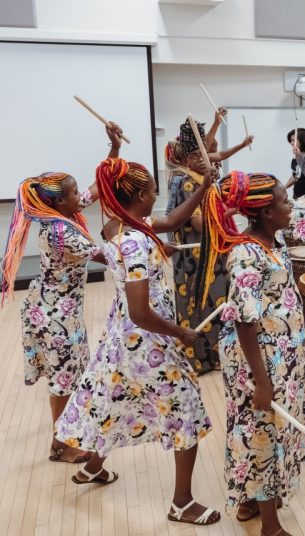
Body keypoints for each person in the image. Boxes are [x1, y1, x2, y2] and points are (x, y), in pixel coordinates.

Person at [56, 139, 221, 526]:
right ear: (138, 196)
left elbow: (171, 221)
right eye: (152, 194)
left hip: (121, 340)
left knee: (116, 400)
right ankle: (182, 502)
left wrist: (199, 190)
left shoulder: (118, 223)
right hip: (144, 341)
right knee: (188, 410)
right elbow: (140, 311)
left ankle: (94, 466)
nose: (156, 200)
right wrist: (180, 333)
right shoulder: (132, 242)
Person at [196, 171, 305, 535]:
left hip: (280, 357)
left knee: (263, 428)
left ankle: (250, 502)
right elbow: (244, 321)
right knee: (263, 432)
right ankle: (272, 527)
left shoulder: (272, 240)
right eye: (283, 201)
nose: (289, 206)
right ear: (264, 212)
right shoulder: (246, 254)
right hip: (260, 362)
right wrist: (261, 379)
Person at [1, 171, 105, 464]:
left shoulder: (58, 214)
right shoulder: (62, 232)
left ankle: (64, 436)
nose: (80, 198)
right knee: (63, 381)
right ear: (60, 201)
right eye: (73, 194)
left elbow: (92, 191)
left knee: (66, 378)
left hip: (57, 308)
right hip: (55, 315)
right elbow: (107, 256)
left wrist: (115, 149)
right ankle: (60, 445)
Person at [166, 119, 250, 373]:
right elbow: (200, 224)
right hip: (196, 257)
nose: (210, 160)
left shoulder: (199, 180)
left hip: (207, 252)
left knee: (214, 302)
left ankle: (214, 356)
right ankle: (201, 359)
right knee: (201, 303)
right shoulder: (188, 183)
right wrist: (231, 212)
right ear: (191, 158)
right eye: (203, 156)